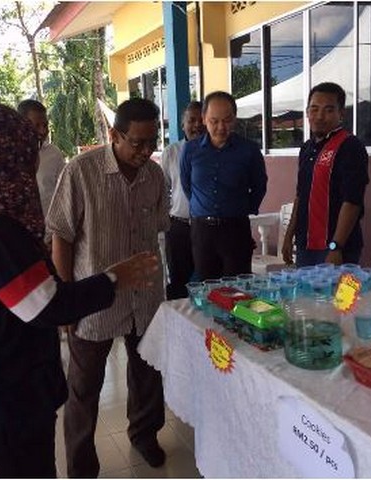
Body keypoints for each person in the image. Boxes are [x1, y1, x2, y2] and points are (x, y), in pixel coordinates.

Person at [0, 103, 159, 479]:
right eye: (28, 149)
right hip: (1, 391)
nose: (35, 160)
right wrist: (114, 278)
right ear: (7, 157)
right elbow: (46, 305)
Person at [47, 98, 170, 477]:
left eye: (152, 142)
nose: (146, 151)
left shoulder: (155, 176)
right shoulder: (80, 172)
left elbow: (158, 228)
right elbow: (62, 236)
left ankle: (144, 434)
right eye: (137, 142)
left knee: (147, 374)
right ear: (114, 134)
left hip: (145, 297)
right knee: (83, 387)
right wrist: (66, 300)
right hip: (93, 300)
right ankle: (81, 463)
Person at [180, 91, 267, 280]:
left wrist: (243, 208)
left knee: (237, 287)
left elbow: (259, 185)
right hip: (202, 231)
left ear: (234, 119)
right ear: (204, 119)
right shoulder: (190, 150)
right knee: (206, 286)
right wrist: (202, 206)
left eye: (227, 121)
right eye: (214, 121)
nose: (221, 127)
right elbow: (187, 185)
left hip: (236, 229)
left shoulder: (249, 150)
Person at [281, 82, 369, 267]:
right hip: (306, 246)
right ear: (307, 112)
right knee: (304, 288)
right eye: (314, 109)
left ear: (341, 114)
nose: (319, 116)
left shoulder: (350, 146)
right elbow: (300, 196)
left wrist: (336, 247)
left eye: (328, 110)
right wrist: (289, 235)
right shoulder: (307, 148)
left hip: (338, 249)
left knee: (341, 288)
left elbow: (352, 201)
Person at [160, 100, 204, 299]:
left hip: (207, 228)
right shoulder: (171, 153)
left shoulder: (216, 151)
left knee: (208, 280)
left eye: (201, 120)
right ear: (182, 124)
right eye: (191, 120)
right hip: (179, 227)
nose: (197, 125)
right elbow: (163, 190)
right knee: (179, 282)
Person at [17, 99, 66, 220]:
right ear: (22, 125)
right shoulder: (9, 156)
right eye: (37, 125)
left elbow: (65, 192)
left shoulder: (54, 154)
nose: (43, 131)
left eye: (45, 125)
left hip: (50, 226)